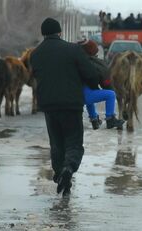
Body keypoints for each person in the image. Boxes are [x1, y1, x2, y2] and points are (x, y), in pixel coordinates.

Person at [30, 18, 99, 197]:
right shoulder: (73, 49)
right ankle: (68, 169)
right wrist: (93, 83)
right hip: (71, 105)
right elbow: (90, 74)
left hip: (49, 107)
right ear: (60, 32)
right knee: (74, 142)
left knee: (57, 144)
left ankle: (60, 173)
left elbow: (36, 77)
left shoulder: (35, 54)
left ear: (43, 33)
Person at [77, 38, 125, 130]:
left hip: (76, 93)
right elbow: (101, 77)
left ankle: (94, 120)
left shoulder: (77, 60)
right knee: (110, 95)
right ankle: (110, 119)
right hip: (83, 95)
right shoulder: (91, 63)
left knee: (90, 98)